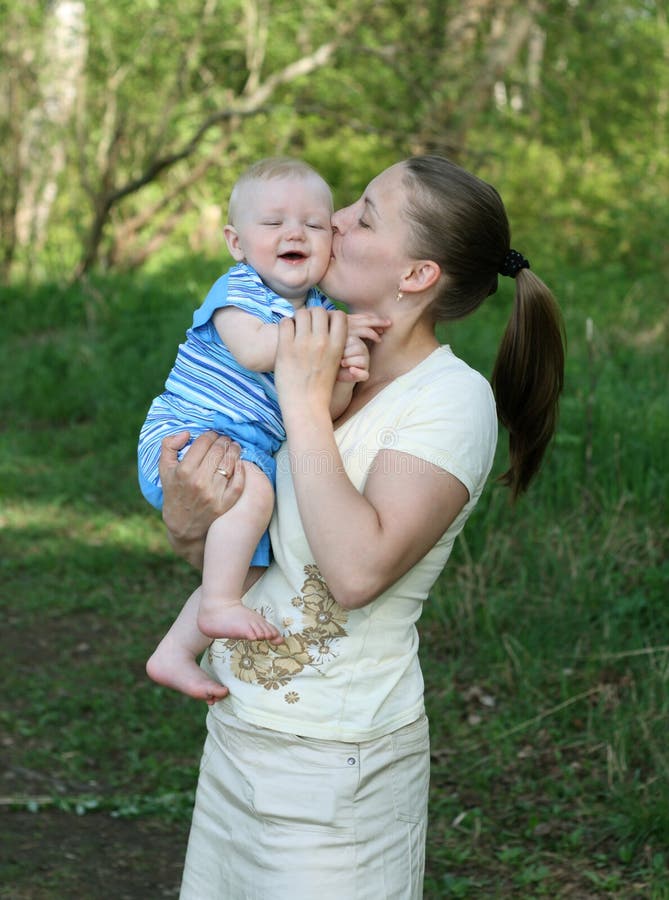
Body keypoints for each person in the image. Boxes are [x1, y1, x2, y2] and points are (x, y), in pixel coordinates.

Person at [157, 155, 565, 899]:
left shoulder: (448, 401)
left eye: (364, 215)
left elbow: (352, 574)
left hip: (337, 767)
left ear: (414, 277)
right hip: (240, 737)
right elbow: (257, 566)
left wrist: (305, 404)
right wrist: (187, 520)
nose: (333, 221)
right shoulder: (317, 353)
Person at [138, 157, 388, 701]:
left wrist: (346, 371)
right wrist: (335, 332)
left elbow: (324, 405)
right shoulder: (238, 291)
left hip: (246, 447)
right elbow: (254, 350)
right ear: (236, 241)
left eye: (314, 224)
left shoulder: (322, 309)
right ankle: (218, 606)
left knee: (253, 564)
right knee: (254, 500)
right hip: (192, 432)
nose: (294, 232)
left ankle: (177, 650)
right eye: (273, 224)